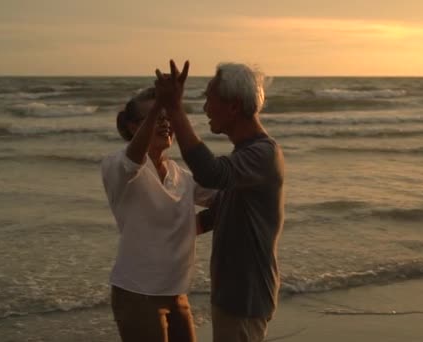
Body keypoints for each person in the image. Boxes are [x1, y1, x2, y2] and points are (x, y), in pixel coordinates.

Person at [154, 61, 285, 342]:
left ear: (234, 106)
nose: (205, 109)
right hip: (234, 294)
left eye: (209, 99)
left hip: (244, 297)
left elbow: (212, 173)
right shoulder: (246, 156)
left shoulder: (263, 154)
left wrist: (175, 109)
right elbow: (221, 211)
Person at [101, 87, 214, 342]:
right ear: (132, 127)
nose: (164, 123)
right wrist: (159, 106)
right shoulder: (116, 166)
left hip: (177, 293)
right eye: (153, 116)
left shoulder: (181, 175)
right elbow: (132, 161)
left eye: (166, 117)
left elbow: (224, 200)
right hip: (137, 293)